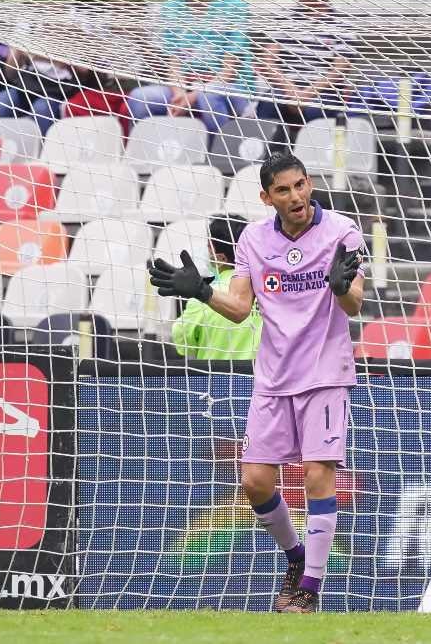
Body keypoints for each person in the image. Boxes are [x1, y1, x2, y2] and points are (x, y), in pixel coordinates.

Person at [148, 152, 365, 613]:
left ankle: (309, 588)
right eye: (284, 190)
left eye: (301, 185)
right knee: (255, 481)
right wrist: (204, 291)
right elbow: (242, 307)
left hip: (325, 373)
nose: (296, 196)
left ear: (310, 185)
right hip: (272, 376)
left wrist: (342, 285)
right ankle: (297, 557)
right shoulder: (253, 239)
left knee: (316, 474)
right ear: (267, 197)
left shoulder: (341, 230)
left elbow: (355, 306)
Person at [127, 0, 254, 134]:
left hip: (228, 88)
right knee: (140, 97)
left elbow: (229, 71)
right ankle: (144, 150)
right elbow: (174, 64)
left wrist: (191, 98)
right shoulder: (172, 7)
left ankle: (219, 151)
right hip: (186, 87)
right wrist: (179, 94)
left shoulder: (234, 6)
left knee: (208, 96)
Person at [254, 0, 358, 135]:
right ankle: (267, 155)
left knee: (315, 110)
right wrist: (290, 89)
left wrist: (307, 94)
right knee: (267, 104)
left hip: (323, 92)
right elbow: (267, 61)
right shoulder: (284, 18)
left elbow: (339, 69)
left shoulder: (342, 23)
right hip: (285, 88)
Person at [171, 215, 262, 360]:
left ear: (221, 257)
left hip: (215, 381)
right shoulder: (269, 291)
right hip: (263, 380)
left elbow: (182, 343)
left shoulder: (201, 297)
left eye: (208, 245)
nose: (206, 251)